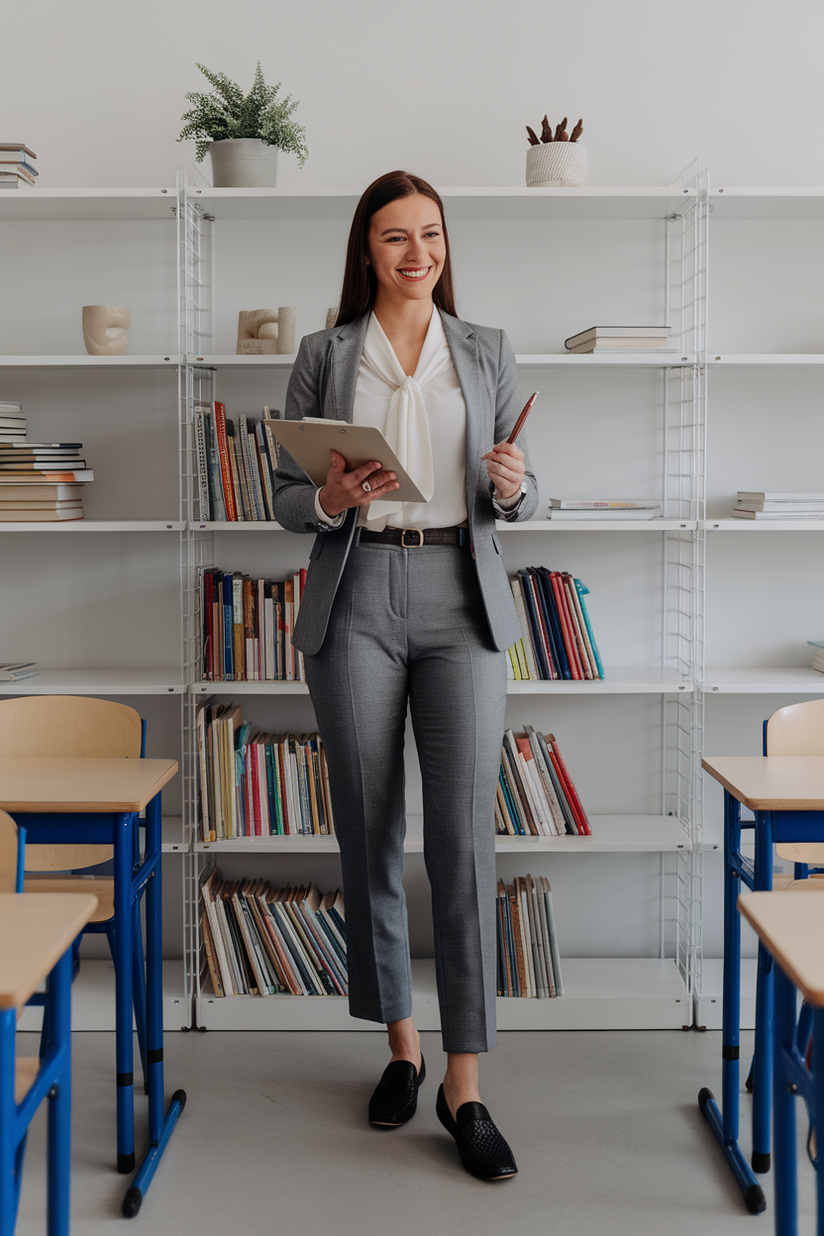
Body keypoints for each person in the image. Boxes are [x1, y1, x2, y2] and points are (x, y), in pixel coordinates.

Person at [273, 170, 538, 1181]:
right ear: (366, 250)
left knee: (462, 838)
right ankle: (398, 1044)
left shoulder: (488, 350)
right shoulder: (323, 353)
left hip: (457, 597)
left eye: (429, 235)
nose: (415, 253)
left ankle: (463, 1086)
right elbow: (287, 500)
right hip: (355, 597)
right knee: (369, 825)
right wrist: (332, 494)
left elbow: (512, 487)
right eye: (394, 237)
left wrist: (512, 489)